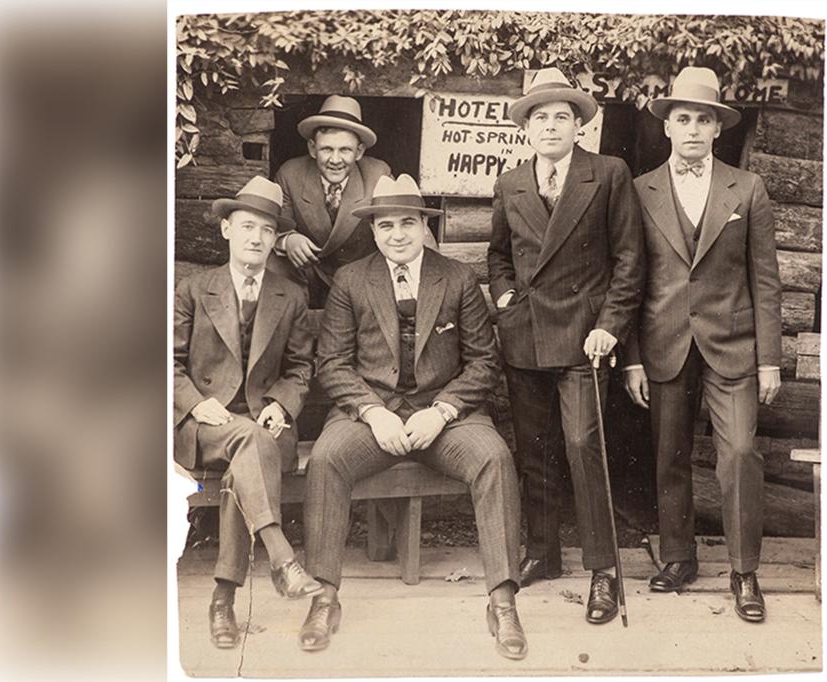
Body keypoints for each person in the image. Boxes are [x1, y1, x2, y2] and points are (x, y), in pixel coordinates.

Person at [299, 175, 527, 660]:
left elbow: (484, 361)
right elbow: (333, 364)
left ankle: (502, 600)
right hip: (372, 415)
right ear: (374, 231)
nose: (397, 234)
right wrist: (372, 411)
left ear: (424, 227)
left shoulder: (459, 277)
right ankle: (324, 595)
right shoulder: (352, 279)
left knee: (494, 459)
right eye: (386, 225)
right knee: (326, 459)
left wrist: (442, 411)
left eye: (407, 223)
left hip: (443, 414)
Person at [623, 66, 783, 623]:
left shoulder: (748, 187)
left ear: (719, 129)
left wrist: (768, 361)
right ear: (667, 127)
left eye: (704, 120)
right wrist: (633, 358)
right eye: (683, 118)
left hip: (733, 345)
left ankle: (744, 572)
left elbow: (765, 279)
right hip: (663, 343)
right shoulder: (639, 190)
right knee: (669, 457)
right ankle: (677, 558)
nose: (693, 129)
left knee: (739, 453)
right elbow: (631, 278)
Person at [487, 68, 645, 625]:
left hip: (587, 338)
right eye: (539, 116)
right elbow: (498, 255)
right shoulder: (511, 183)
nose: (550, 125)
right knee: (534, 448)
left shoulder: (607, 174)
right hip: (526, 334)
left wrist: (610, 325)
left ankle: (603, 570)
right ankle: (544, 552)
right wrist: (506, 298)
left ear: (578, 125)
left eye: (561, 116)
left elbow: (629, 258)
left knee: (583, 444)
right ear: (526, 127)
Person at [173, 176, 322, 649]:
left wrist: (281, 403)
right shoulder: (194, 290)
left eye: (266, 230)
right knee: (246, 442)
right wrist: (197, 402)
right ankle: (281, 556)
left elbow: (301, 367)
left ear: (276, 240)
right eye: (246, 227)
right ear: (226, 232)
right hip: (206, 425)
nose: (256, 239)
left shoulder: (290, 295)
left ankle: (223, 601)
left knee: (247, 463)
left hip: (265, 425)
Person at [270, 95, 391, 307]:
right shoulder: (290, 174)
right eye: (327, 149)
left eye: (345, 150)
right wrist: (288, 240)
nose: (335, 160)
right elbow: (273, 224)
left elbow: (399, 225)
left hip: (360, 280)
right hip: (308, 277)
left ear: (359, 151)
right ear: (312, 148)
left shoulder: (379, 174)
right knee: (273, 265)